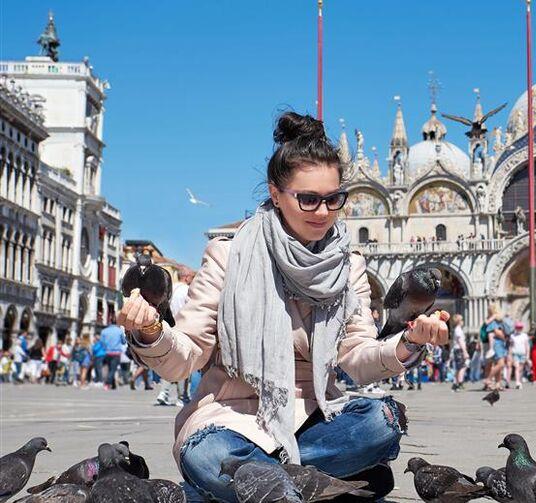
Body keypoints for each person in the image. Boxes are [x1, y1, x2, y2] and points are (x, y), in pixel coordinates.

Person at [118, 112, 449, 503]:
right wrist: (151, 331)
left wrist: (409, 341)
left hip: (315, 416)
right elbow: (185, 357)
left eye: (334, 199)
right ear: (276, 193)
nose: (323, 212)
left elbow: (358, 359)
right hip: (232, 418)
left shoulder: (347, 263)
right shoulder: (229, 255)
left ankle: (266, 483)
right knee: (209, 454)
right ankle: (322, 482)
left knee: (384, 422)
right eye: (308, 199)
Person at [157, 266, 196, 406]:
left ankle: (163, 393)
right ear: (186, 277)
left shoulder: (170, 290)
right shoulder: (188, 291)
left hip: (168, 328)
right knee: (184, 363)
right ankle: (182, 397)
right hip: (183, 328)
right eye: (192, 277)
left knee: (168, 362)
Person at [484, 304, 507, 391]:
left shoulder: (496, 320)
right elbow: (496, 332)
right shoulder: (493, 321)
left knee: (498, 364)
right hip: (497, 345)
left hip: (499, 344)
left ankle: (498, 383)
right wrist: (504, 337)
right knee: (501, 364)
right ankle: (488, 379)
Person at [100, 318, 126, 390]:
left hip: (107, 353)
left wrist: (106, 347)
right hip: (116, 353)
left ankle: (113, 384)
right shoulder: (119, 331)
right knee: (113, 369)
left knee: (110, 368)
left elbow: (101, 342)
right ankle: (107, 384)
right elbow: (124, 341)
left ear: (110, 322)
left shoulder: (104, 331)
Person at [508, 321, 530, 389]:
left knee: (521, 369)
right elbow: (511, 346)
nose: (519, 329)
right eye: (518, 327)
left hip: (523, 354)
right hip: (515, 353)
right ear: (515, 328)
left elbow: (527, 346)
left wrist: (527, 355)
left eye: (520, 327)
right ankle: (517, 382)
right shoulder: (512, 336)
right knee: (517, 368)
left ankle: (519, 381)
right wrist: (510, 355)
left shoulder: (525, 335)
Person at [450, 314, 469, 391]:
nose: (463, 321)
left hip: (457, 350)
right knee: (462, 366)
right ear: (458, 321)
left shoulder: (457, 329)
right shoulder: (458, 330)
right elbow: (460, 341)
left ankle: (456, 383)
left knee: (459, 367)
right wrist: (465, 352)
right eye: (461, 320)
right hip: (459, 350)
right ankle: (460, 383)